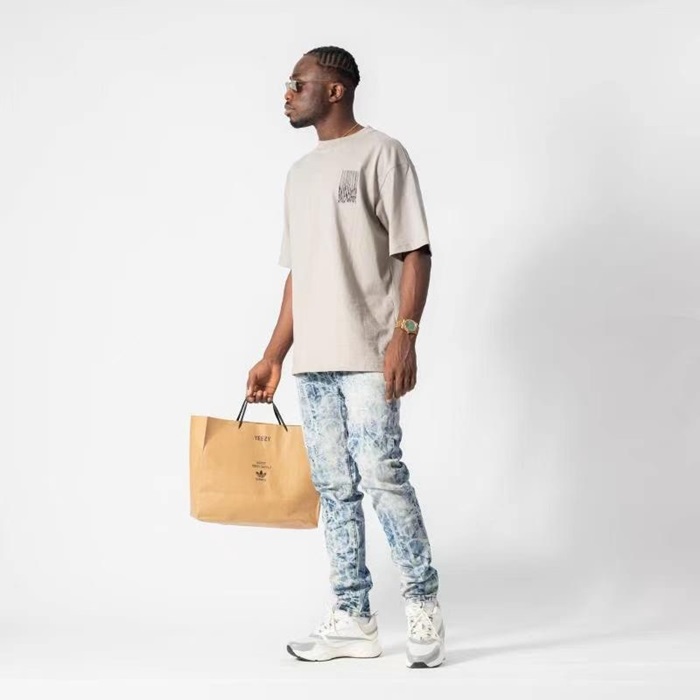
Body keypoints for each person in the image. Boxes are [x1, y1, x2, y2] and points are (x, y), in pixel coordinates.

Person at [245, 46, 445, 669]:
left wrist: (405, 335)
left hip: (369, 351)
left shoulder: (383, 153)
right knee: (334, 488)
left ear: (335, 90)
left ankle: (423, 602)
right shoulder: (298, 175)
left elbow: (416, 252)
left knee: (383, 475)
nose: (286, 93)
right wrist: (273, 355)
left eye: (297, 83)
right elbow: (300, 274)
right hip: (313, 361)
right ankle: (354, 617)